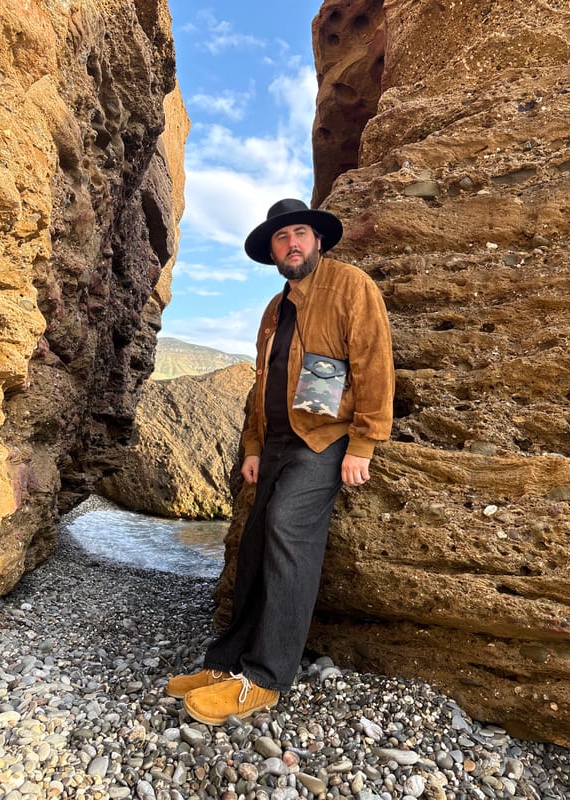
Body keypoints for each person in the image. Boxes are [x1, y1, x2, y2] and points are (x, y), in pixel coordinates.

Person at [165, 198, 395, 725]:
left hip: (323, 439)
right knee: (253, 543)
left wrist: (364, 444)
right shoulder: (275, 308)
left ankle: (265, 679)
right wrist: (252, 446)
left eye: (300, 233)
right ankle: (227, 663)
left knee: (287, 529)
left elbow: (374, 363)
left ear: (318, 240)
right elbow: (262, 382)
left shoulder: (350, 286)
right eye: (281, 237)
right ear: (272, 251)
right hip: (274, 443)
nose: (292, 243)